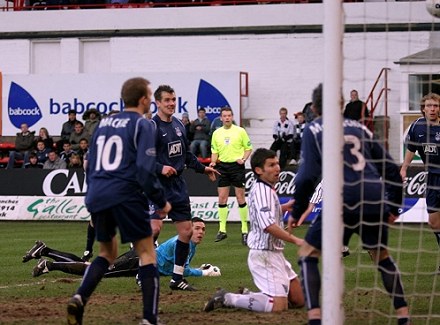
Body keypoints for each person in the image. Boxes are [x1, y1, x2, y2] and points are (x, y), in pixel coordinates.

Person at [289, 84, 410, 325]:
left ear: (313, 108)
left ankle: (315, 318)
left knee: (307, 254)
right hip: (373, 196)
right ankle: (404, 316)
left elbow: (306, 176)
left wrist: (297, 209)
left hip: (341, 198)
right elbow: (392, 172)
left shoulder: (313, 128)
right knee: (381, 256)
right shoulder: (360, 128)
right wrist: (394, 208)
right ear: (342, 104)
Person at [66, 77, 171, 325]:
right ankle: (149, 319)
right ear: (144, 99)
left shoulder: (103, 125)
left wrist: (92, 197)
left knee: (107, 252)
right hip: (125, 193)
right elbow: (145, 170)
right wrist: (161, 201)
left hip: (98, 194)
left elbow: (89, 163)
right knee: (147, 254)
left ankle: (80, 297)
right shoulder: (143, 125)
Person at [204, 148, 304, 313]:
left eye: (277, 163)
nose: (277, 168)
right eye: (271, 165)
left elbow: (267, 211)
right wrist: (297, 240)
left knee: (298, 299)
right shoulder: (262, 191)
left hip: (275, 252)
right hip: (264, 254)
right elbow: (269, 226)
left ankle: (250, 296)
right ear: (258, 170)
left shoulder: (266, 188)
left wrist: (285, 207)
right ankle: (227, 298)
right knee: (279, 306)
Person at [150, 84, 219, 292]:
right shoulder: (151, 127)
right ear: (158, 103)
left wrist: (203, 168)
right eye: (167, 101)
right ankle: (141, 269)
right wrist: (161, 168)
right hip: (157, 185)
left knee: (186, 232)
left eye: (173, 100)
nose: (171, 104)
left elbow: (186, 155)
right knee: (154, 229)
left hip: (178, 186)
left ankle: (177, 278)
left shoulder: (179, 124)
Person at [27, 218, 221, 279]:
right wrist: (204, 274)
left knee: (93, 267)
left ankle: (46, 252)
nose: (201, 232)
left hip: (141, 257)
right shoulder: (181, 243)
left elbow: (178, 266)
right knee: (96, 271)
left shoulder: (189, 246)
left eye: (203, 229)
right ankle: (49, 265)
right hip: (138, 258)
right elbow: (183, 270)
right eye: (197, 228)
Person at [400, 92, 440, 273]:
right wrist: (404, 168)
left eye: (436, 106)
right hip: (432, 178)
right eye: (430, 106)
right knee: (434, 222)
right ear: (423, 108)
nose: (433, 109)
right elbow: (411, 148)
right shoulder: (417, 126)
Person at [209, 106, 253, 245]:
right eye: (224, 116)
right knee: (222, 198)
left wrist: (244, 159)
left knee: (240, 197)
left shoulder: (240, 131)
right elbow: (214, 151)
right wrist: (212, 162)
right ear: (221, 118)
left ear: (232, 117)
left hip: (237, 167)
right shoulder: (216, 133)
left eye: (229, 115)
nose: (227, 118)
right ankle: (222, 230)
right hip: (223, 167)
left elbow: (248, 148)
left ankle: (245, 230)